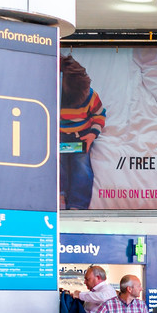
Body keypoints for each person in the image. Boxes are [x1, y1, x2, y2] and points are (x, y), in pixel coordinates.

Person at [59, 55, 106, 210]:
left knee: (81, 166)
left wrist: (92, 135)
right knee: (59, 166)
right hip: (58, 136)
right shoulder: (54, 98)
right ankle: (60, 194)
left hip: (82, 136)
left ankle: (78, 203)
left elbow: (99, 115)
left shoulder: (90, 95)